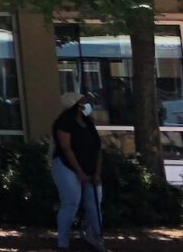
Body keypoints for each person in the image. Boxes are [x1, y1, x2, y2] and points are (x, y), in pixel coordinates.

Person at [51, 94, 106, 252]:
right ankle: (63, 243)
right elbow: (66, 149)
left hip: (90, 168)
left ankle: (94, 238)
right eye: (83, 102)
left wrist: (97, 173)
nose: (87, 104)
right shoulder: (63, 123)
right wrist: (79, 172)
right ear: (75, 105)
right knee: (71, 203)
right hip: (66, 167)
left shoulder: (89, 124)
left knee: (94, 204)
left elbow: (97, 149)